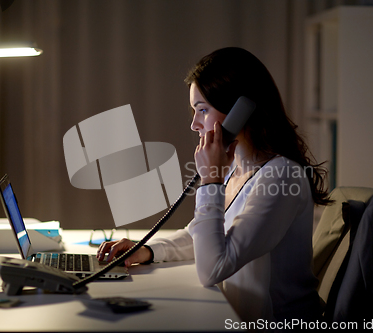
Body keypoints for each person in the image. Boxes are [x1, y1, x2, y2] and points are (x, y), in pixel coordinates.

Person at [97, 47, 332, 323]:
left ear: (240, 111)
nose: (195, 124)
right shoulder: (236, 165)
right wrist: (147, 250)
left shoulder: (281, 176)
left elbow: (213, 267)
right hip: (236, 317)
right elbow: (201, 235)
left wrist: (211, 180)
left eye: (203, 110)